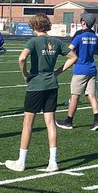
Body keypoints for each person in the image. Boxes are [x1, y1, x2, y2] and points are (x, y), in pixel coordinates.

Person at [5, 14, 76, 172]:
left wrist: (25, 75)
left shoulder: (33, 41)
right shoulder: (56, 42)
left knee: (28, 123)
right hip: (52, 85)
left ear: (34, 26)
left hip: (36, 85)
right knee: (50, 122)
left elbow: (22, 58)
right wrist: (56, 72)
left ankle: (21, 162)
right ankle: (53, 162)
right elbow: (73, 57)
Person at [57, 12, 98, 132]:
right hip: (92, 69)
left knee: (75, 96)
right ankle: (97, 121)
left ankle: (68, 121)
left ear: (84, 22)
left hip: (80, 69)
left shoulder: (79, 37)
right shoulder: (95, 36)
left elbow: (69, 50)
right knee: (92, 96)